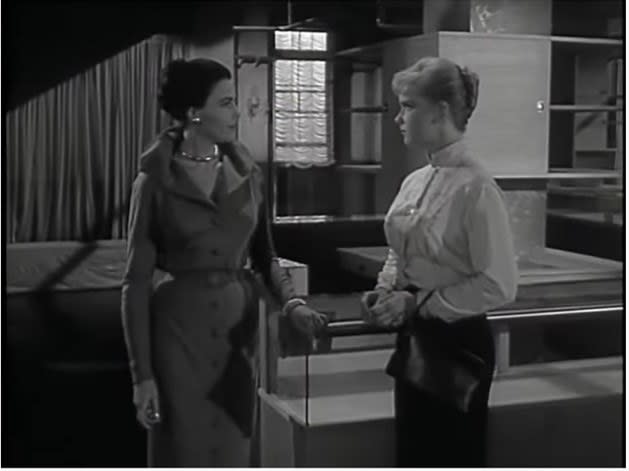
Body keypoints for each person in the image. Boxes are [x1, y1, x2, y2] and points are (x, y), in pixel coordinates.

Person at [121, 58, 327, 467]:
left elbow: (264, 254)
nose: (239, 112)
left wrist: (292, 304)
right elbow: (135, 283)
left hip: (237, 335)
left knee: (233, 443)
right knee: (184, 447)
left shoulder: (247, 173)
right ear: (194, 111)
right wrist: (141, 375)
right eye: (227, 102)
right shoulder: (154, 180)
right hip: (178, 333)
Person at [361, 57, 518, 467]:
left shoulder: (477, 188)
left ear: (440, 112)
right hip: (416, 342)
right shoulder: (415, 180)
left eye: (408, 106)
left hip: (458, 345)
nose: (399, 118)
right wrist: (385, 290)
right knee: (413, 453)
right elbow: (401, 250)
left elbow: (500, 283)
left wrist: (418, 302)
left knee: (450, 455)